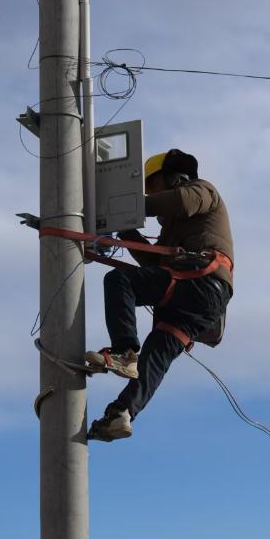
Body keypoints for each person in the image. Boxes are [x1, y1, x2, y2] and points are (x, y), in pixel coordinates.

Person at [85, 148, 234, 441]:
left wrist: (122, 207)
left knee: (120, 282)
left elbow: (179, 200)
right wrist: (127, 230)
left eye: (153, 187)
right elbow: (154, 267)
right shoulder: (176, 230)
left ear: (176, 178)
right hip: (195, 301)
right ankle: (121, 414)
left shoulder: (202, 191)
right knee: (154, 359)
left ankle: (123, 351)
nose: (152, 197)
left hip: (200, 281)